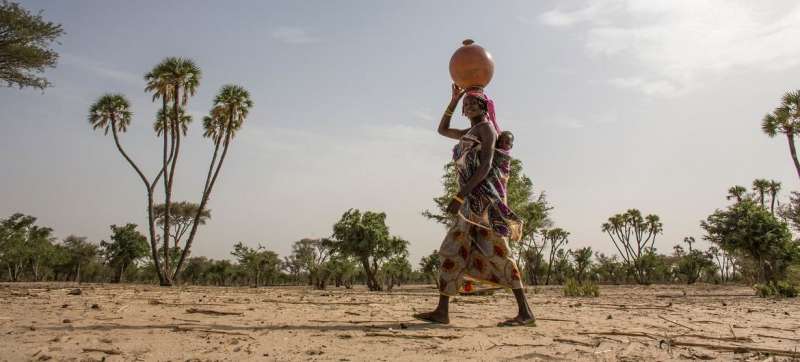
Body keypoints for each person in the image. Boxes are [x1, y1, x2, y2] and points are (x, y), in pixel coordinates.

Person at [414, 84, 535, 326]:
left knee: (499, 252)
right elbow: (442, 129)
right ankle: (442, 311)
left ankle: (526, 313)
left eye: (472, 103)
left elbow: (485, 167)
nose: (467, 107)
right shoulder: (470, 132)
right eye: (464, 105)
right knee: (452, 250)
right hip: (471, 204)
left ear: (484, 107)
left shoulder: (486, 129)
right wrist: (453, 99)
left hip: (483, 203)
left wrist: (460, 195)